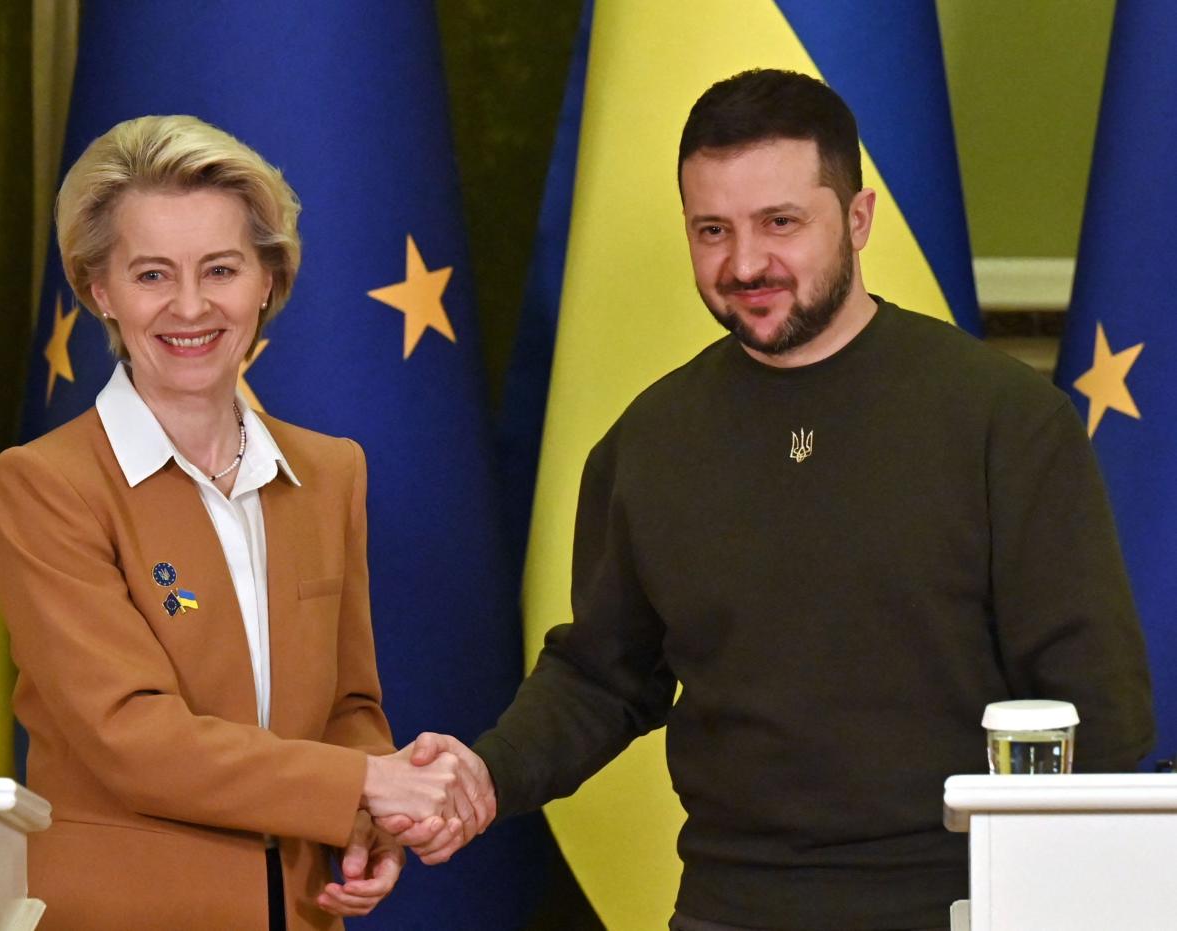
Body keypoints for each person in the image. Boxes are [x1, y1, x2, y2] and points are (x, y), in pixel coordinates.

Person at [387, 69, 1156, 929]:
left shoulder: (1005, 425)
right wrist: (485, 775)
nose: (745, 263)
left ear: (858, 219)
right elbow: (602, 677)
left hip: (965, 902)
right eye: (712, 229)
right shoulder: (648, 443)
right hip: (728, 906)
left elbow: (1102, 717)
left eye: (780, 223)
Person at [0, 115, 484, 931]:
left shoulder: (330, 473)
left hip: (301, 911)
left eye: (220, 268)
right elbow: (130, 737)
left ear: (268, 282)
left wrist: (372, 822)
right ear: (98, 289)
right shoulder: (45, 485)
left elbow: (348, 708)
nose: (190, 306)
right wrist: (363, 786)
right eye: (151, 274)